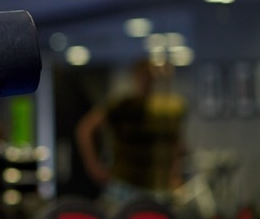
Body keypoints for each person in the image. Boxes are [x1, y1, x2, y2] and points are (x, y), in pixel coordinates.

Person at [75, 57, 186, 204]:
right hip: (125, 185)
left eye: (151, 74)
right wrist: (93, 167)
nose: (148, 79)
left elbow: (175, 145)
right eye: (144, 75)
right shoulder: (123, 106)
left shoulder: (167, 109)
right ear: (136, 76)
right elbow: (85, 129)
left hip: (158, 186)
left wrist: (175, 173)